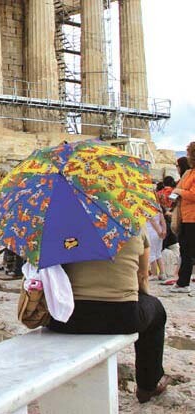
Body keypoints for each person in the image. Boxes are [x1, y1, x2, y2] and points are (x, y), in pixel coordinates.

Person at [49, 233, 170, 404]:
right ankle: (148, 385)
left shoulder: (64, 226)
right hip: (122, 316)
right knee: (156, 311)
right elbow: (142, 278)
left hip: (66, 317)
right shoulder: (131, 222)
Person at [170, 145, 195, 293]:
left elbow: (193, 195)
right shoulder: (189, 173)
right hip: (186, 216)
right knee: (184, 249)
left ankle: (183, 282)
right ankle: (182, 281)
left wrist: (179, 191)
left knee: (187, 250)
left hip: (192, 217)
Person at [146, 210, 166, 280]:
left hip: (151, 231)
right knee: (158, 253)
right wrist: (163, 231)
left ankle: (154, 274)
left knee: (151, 254)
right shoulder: (158, 206)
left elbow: (152, 221)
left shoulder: (147, 207)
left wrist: (159, 232)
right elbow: (163, 221)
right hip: (159, 232)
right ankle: (162, 273)